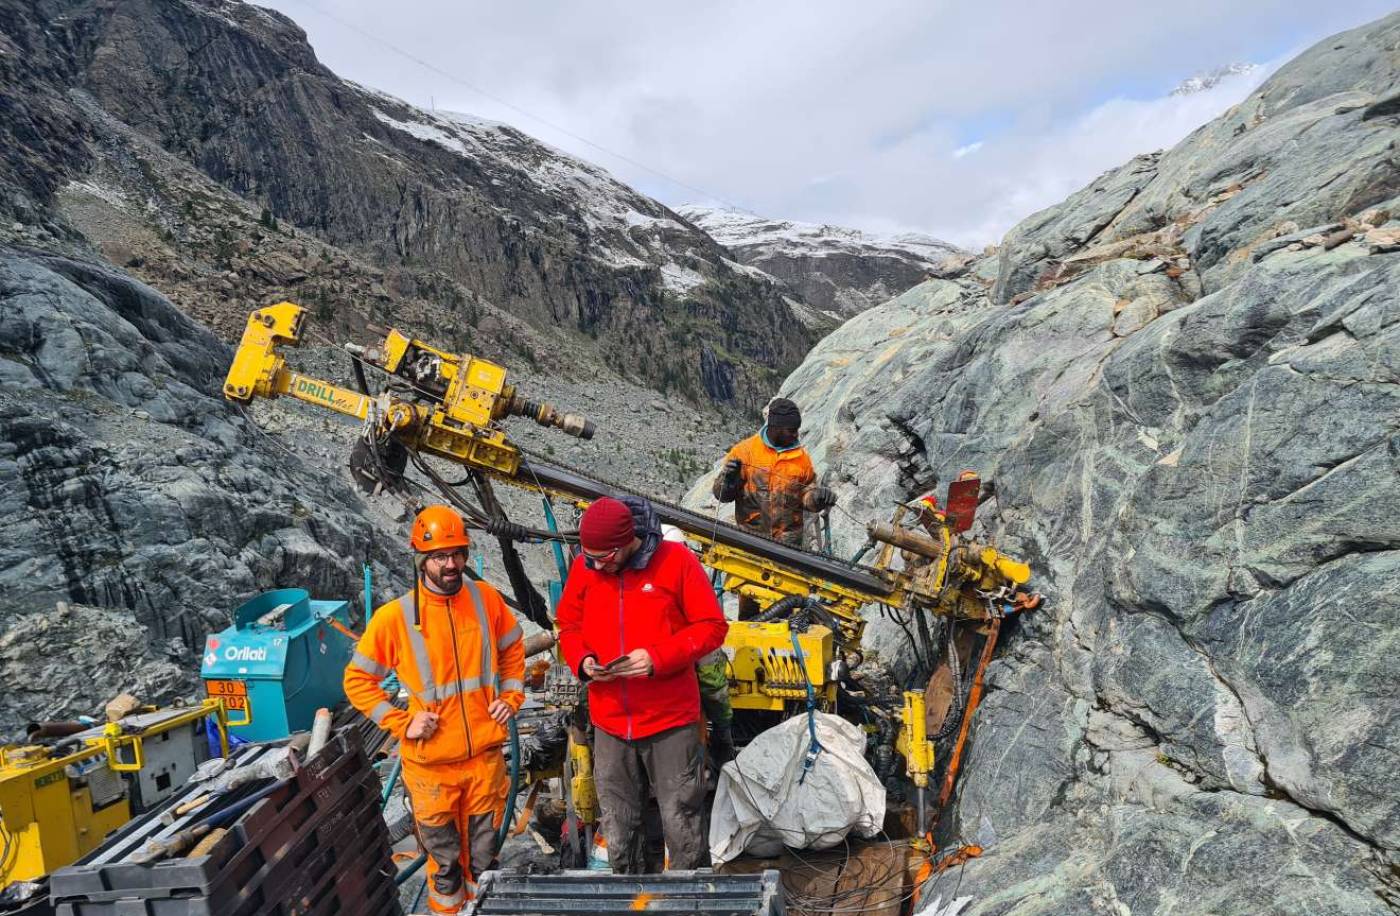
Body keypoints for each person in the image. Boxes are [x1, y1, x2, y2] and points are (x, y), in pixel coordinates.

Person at [344, 506, 525, 913]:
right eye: (440, 556)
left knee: (484, 864)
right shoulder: (396, 619)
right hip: (431, 771)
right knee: (444, 869)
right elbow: (357, 681)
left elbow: (513, 647)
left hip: (483, 761)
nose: (451, 564)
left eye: (457, 553)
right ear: (421, 560)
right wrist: (402, 723)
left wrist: (510, 697)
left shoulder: (485, 600)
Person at [556, 496, 728, 873]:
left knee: (682, 825)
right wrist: (583, 662)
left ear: (628, 541)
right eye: (590, 557)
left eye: (604, 556)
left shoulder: (677, 562)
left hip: (671, 722)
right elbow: (568, 625)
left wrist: (657, 659)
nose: (596, 565)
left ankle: (690, 904)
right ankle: (629, 897)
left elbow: (712, 627)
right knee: (619, 827)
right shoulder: (588, 568)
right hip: (610, 722)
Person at [713, 397, 836, 617]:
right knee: (750, 605)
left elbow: (806, 497)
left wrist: (818, 498)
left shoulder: (801, 459)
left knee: (787, 608)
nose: (796, 435)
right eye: (791, 430)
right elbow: (722, 495)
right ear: (775, 427)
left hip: (788, 547)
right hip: (751, 544)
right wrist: (729, 479)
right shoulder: (745, 452)